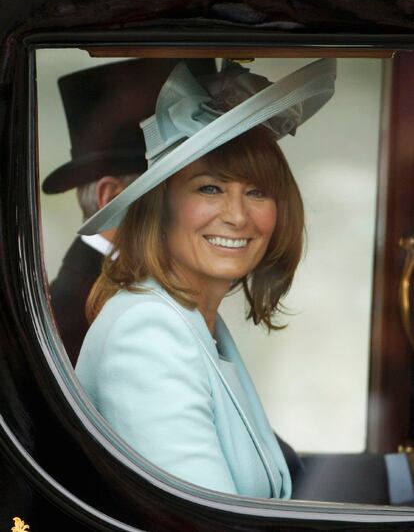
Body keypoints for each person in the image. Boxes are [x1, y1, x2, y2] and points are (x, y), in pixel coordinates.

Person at [75, 58, 336, 498]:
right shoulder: (147, 332)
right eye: (210, 188)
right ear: (161, 207)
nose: (237, 216)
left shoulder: (197, 323)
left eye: (256, 191)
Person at [42, 58, 215, 365]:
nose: (215, 210)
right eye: (202, 188)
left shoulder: (104, 293)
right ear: (113, 198)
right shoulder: (82, 311)